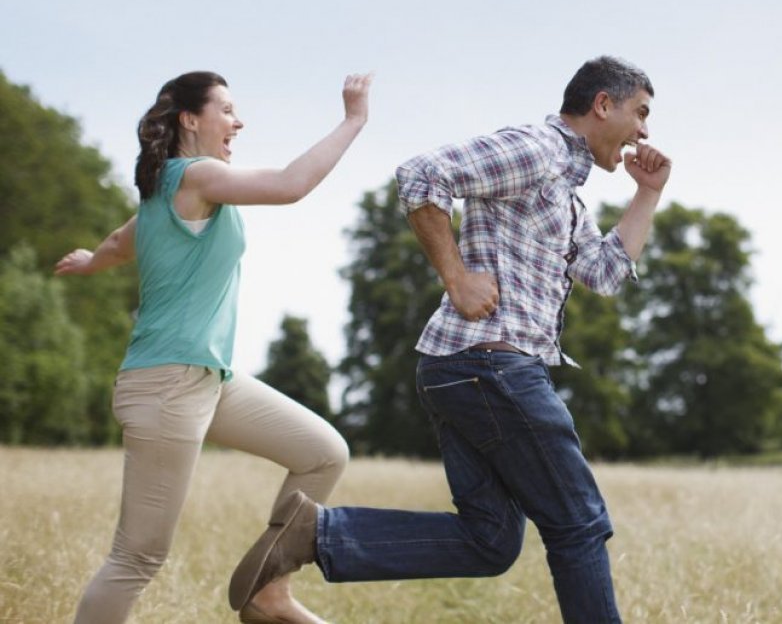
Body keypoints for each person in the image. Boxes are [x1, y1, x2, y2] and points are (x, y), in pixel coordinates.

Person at [228, 55, 671, 623]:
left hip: (467, 369)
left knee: (490, 540)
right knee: (579, 521)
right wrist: (456, 277)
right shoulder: (538, 148)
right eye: (640, 112)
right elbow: (421, 173)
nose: (645, 131)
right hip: (491, 364)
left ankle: (316, 533)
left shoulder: (566, 189)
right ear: (602, 105)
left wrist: (648, 193)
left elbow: (604, 273)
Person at [55, 69, 372, 624]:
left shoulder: (163, 193)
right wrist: (353, 120)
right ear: (190, 120)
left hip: (207, 379)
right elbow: (289, 185)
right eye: (226, 109)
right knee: (137, 557)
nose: (237, 121)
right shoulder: (195, 176)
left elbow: (116, 242)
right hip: (166, 384)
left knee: (323, 453)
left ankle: (267, 592)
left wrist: (90, 261)